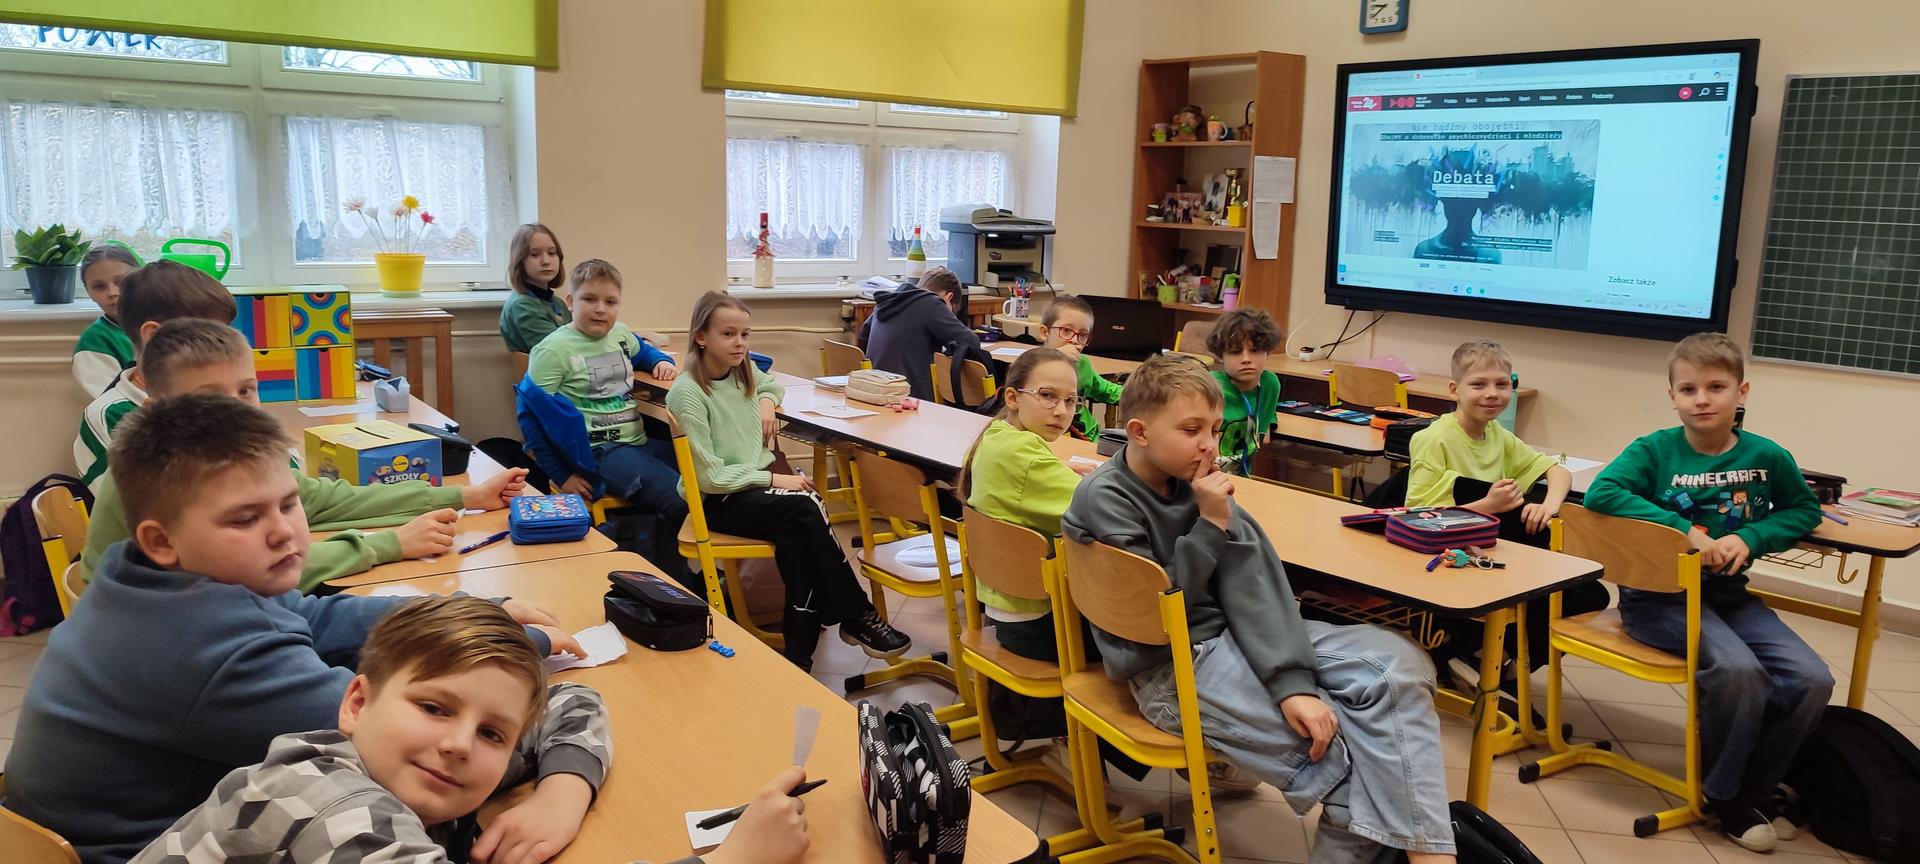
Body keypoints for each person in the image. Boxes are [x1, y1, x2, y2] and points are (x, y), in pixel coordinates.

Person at [4, 394, 580, 864]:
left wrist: (470, 615)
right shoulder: (204, 650)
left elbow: (315, 617)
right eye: (246, 518)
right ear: (162, 540)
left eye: (287, 504)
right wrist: (508, 663)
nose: (283, 532)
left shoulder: (157, 579)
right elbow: (402, 738)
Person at [1061, 354, 1456, 863]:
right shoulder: (1107, 497)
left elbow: (1255, 584)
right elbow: (1157, 613)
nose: (1209, 445)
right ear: (1138, 432)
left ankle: (1428, 854)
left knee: (1400, 665)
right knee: (1351, 772)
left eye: (1214, 429)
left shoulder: (1197, 483)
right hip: (1168, 667)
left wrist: (1290, 682)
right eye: (1191, 430)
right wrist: (1210, 524)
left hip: (1228, 638)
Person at [129, 595, 618, 864]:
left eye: (492, 733)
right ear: (357, 704)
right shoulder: (330, 803)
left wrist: (563, 793)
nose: (459, 745)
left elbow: (571, 698)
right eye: (434, 708)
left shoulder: (425, 762)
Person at [1585, 332, 1829, 853]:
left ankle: (1754, 787)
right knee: (1739, 672)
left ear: (1742, 392)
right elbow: (1603, 492)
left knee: (1811, 678)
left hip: (1728, 596)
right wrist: (1685, 531)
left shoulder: (1767, 455)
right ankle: (1725, 798)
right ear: (1672, 396)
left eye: (1716, 387)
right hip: (1657, 599)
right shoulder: (1654, 449)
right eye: (1688, 389)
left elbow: (1803, 510)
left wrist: (1751, 536)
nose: (1702, 399)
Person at [78, 318, 530, 591]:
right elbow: (250, 568)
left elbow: (325, 500)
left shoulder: (230, 457)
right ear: (155, 407)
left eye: (245, 390)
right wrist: (389, 544)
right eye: (207, 396)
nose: (235, 408)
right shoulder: (167, 470)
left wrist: (463, 497)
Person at [667, 291, 909, 670]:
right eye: (728, 334)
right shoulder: (688, 392)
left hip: (751, 489)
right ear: (701, 337)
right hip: (716, 499)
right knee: (805, 504)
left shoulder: (742, 370)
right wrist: (773, 478)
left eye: (745, 334)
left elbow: (770, 385)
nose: (739, 343)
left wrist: (765, 401)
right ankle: (856, 614)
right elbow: (709, 477)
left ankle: (799, 656)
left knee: (799, 538)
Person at [1406, 340, 1610, 691]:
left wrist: (1549, 506)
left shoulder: (1497, 434)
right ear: (1455, 390)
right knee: (1555, 597)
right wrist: (1488, 505)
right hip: (1450, 556)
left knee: (1588, 596)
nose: (1492, 394)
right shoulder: (1434, 439)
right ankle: (1477, 656)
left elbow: (1557, 471)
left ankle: (1499, 663)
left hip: (1492, 549)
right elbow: (1416, 516)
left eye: (1502, 384)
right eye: (1478, 384)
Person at [527, 258, 688, 580]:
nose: (600, 309)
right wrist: (561, 473)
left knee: (705, 478)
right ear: (570, 301)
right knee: (681, 497)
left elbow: (644, 352)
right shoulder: (553, 351)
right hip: (597, 453)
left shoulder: (620, 334)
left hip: (636, 443)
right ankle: (680, 583)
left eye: (610, 302)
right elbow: (530, 417)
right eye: (589, 299)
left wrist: (659, 361)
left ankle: (676, 571)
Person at [73, 260, 239, 488]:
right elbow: (150, 502)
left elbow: (275, 462)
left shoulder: (221, 392)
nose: (226, 344)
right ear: (154, 335)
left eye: (227, 330)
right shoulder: (112, 416)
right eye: (209, 333)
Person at [857, 266, 989, 403]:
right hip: (911, 397)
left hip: (874, 390)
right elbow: (971, 342)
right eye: (952, 312)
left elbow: (863, 336)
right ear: (948, 297)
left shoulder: (887, 302)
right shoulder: (931, 303)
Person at [1206, 308, 1283, 476]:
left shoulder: (1270, 385)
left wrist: (1269, 421)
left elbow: (1263, 424)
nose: (1246, 359)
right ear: (1220, 356)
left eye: (1254, 350)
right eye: (1235, 352)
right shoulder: (1210, 387)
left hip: (1242, 476)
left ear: (1268, 352)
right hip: (1205, 476)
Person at [1037, 294, 1123, 439]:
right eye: (1066, 331)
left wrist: (1140, 394)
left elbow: (1106, 390)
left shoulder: (1082, 363)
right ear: (1045, 333)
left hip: (1088, 436)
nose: (1075, 340)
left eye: (1083, 335)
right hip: (1055, 436)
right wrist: (1055, 358)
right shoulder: (1033, 366)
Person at [72, 244, 141, 396]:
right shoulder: (95, 341)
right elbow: (110, 400)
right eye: (99, 286)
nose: (112, 292)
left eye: (121, 282)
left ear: (141, 280)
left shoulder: (168, 322)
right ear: (89, 293)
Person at [500, 223, 570, 354]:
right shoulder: (522, 305)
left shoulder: (557, 303)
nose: (546, 261)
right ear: (520, 260)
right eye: (535, 254)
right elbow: (558, 350)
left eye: (552, 253)